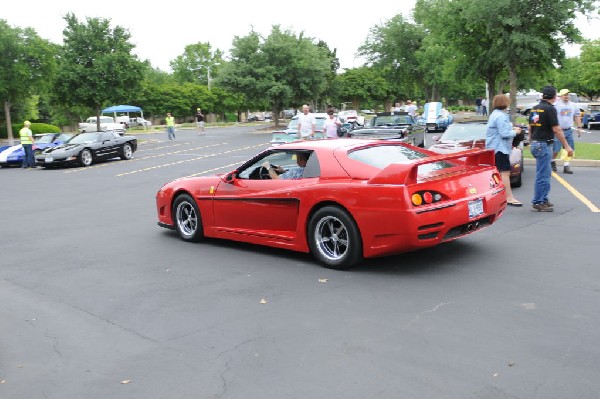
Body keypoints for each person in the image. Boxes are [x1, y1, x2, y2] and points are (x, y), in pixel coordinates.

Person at [528, 85, 573, 212]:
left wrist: (531, 140)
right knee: (543, 174)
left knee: (545, 173)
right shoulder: (550, 109)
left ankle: (543, 198)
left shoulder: (535, 108)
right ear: (554, 97)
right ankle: (538, 201)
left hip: (536, 143)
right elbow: (556, 129)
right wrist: (567, 146)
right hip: (543, 144)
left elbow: (530, 126)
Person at [485, 95, 522, 206]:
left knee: (498, 173)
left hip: (495, 148)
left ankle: (497, 197)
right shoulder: (501, 116)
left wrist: (512, 129)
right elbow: (504, 134)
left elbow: (501, 130)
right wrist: (516, 132)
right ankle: (509, 197)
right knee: (505, 173)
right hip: (500, 149)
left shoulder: (495, 114)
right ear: (505, 103)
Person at [551, 89, 582, 174]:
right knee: (556, 149)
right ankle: (552, 161)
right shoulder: (555, 105)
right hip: (558, 131)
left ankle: (566, 166)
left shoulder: (573, 105)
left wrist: (579, 127)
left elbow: (577, 116)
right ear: (560, 96)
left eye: (567, 95)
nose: (566, 96)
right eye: (564, 95)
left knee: (569, 149)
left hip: (568, 130)